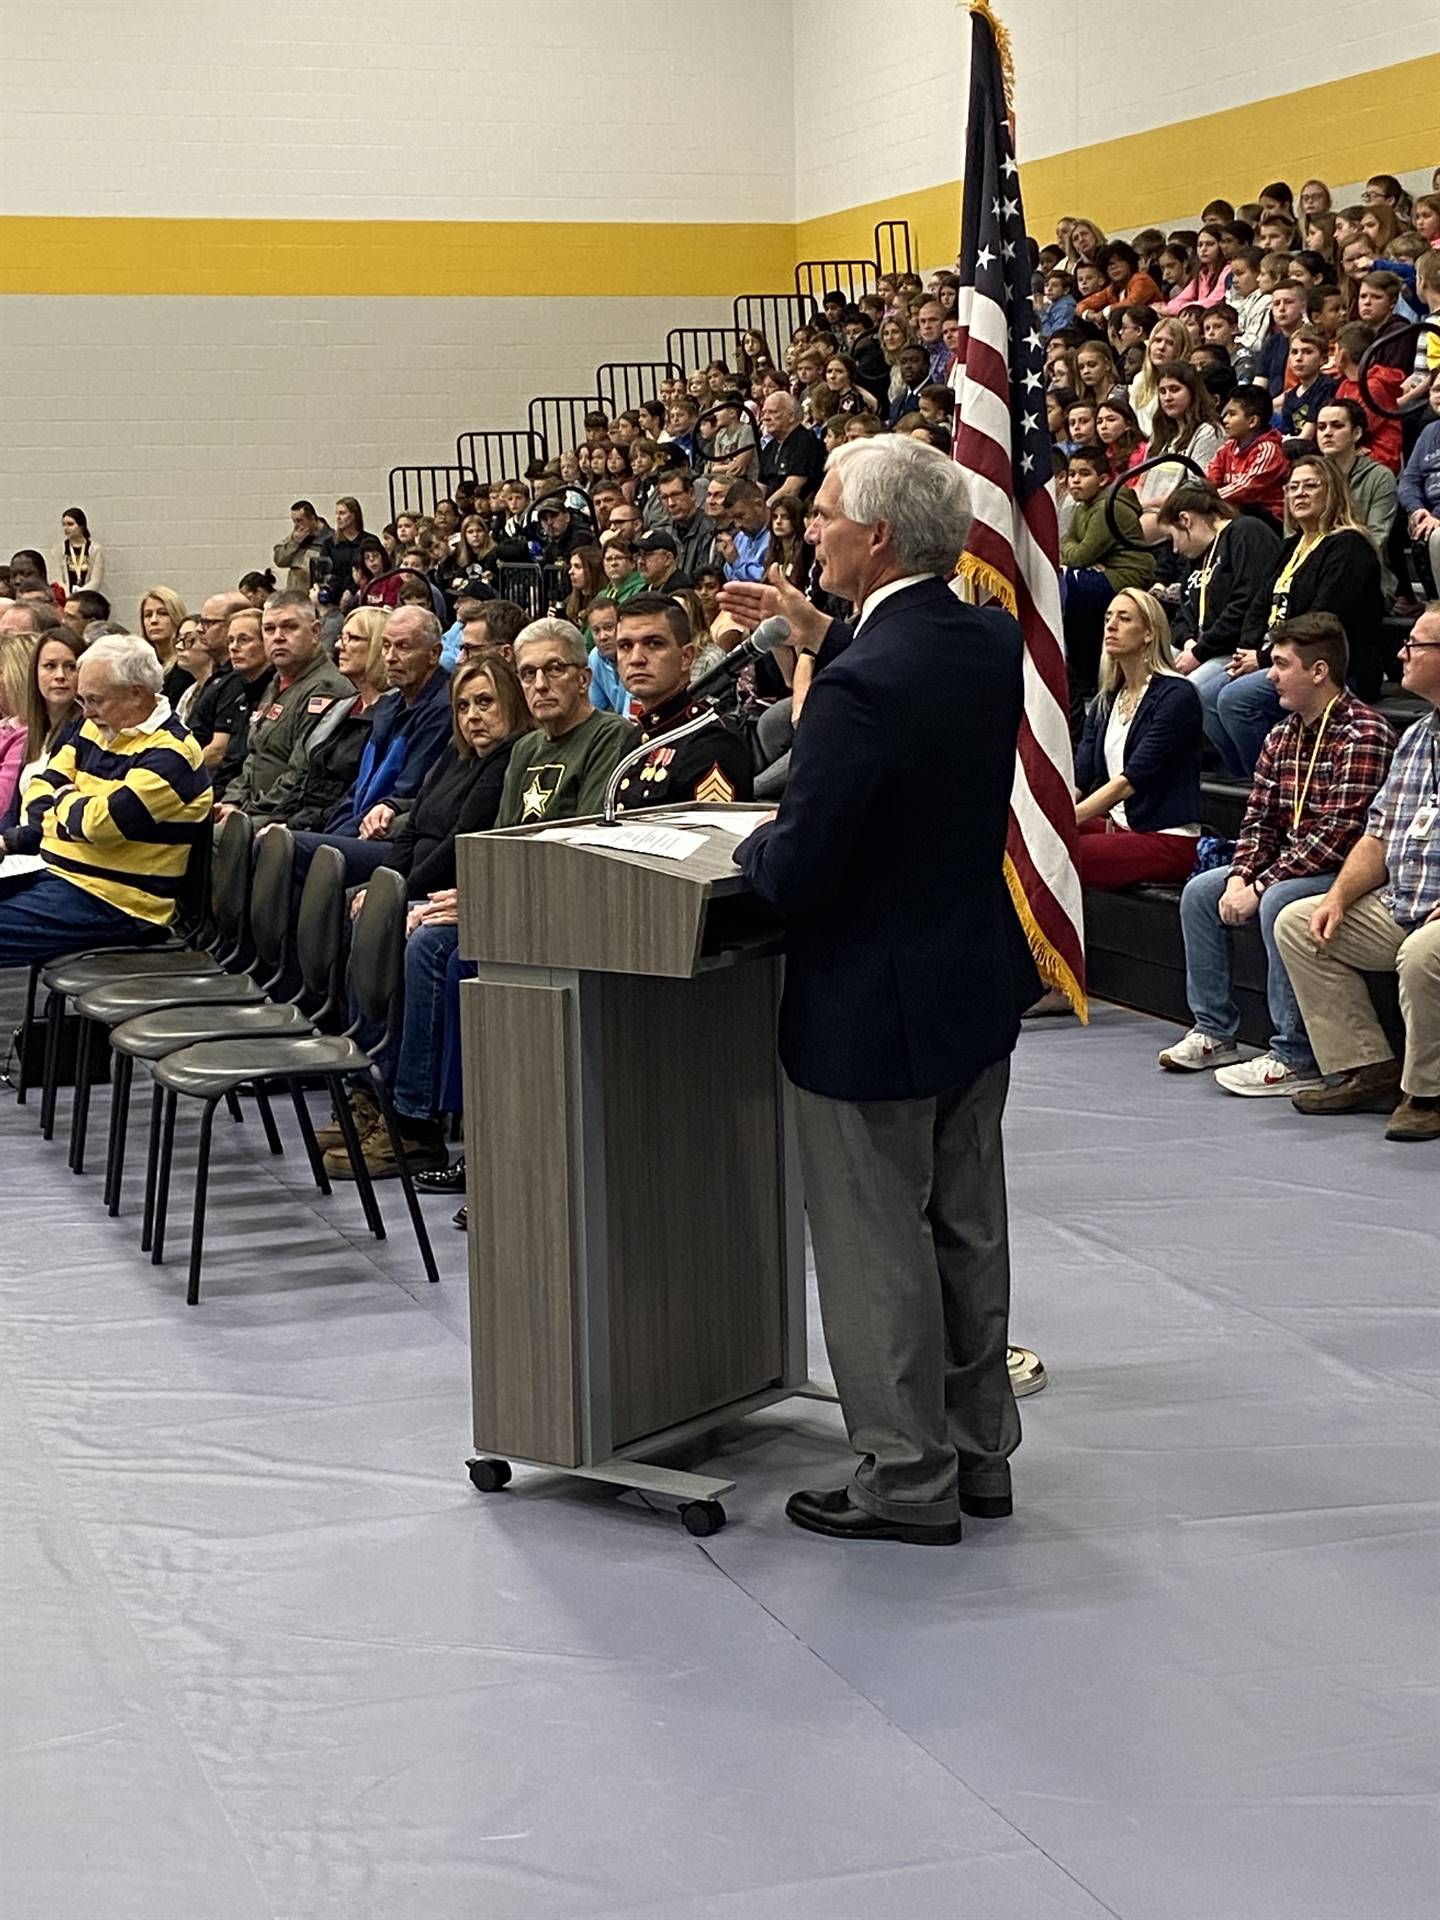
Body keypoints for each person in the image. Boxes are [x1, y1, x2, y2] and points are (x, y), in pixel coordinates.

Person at [736, 436, 1038, 1545]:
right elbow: (911, 684)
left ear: (875, 536)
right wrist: (826, 635)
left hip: (869, 1001)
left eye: (821, 514)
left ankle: (903, 1481)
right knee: (967, 1227)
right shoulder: (986, 639)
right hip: (972, 979)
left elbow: (807, 865)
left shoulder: (860, 686)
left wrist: (756, 851)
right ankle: (979, 1456)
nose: (807, 529)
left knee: (876, 1249)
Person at [319, 652, 532, 1182]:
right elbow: (412, 834)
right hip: (422, 880)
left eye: (485, 703)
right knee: (361, 913)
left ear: (512, 703)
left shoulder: (505, 761)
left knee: (412, 937)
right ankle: (367, 1093)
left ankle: (412, 1122)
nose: (473, 717)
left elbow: (462, 844)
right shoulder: (454, 756)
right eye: (463, 706)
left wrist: (398, 896)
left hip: (451, 885)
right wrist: (384, 886)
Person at [1163, 613, 1396, 1092]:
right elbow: (1260, 820)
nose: (1269, 675)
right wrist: (1238, 876)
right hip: (1291, 864)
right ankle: (1213, 1030)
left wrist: (1261, 885)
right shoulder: (1282, 735)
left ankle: (1295, 1053)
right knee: (1201, 892)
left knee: (1277, 902)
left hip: (1348, 872)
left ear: (1319, 671)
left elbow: (1338, 834)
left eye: (1281, 664)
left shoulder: (1363, 734)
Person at [1275, 607, 1440, 1142]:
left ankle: (1426, 1093)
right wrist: (1339, 897)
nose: (1401, 652)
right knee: (1301, 921)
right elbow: (1378, 836)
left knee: (1423, 956)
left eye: (1415, 645)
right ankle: (1369, 1069)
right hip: (1404, 903)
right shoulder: (1416, 737)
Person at [0, 636, 211, 966]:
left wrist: (65, 798)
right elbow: (41, 789)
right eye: (83, 700)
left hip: (118, 905)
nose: (86, 711)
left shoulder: (173, 754)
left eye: (95, 700)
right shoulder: (92, 728)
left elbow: (102, 824)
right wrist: (71, 802)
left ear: (136, 693)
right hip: (59, 875)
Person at [1209, 453, 1387, 774]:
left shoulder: (1349, 546)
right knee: (1203, 696)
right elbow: (1258, 604)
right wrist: (1249, 649)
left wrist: (1263, 660)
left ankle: (1270, 781)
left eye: (1310, 486)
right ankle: (1244, 783)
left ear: (1332, 491)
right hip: (1277, 656)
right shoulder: (1291, 545)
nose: (1299, 494)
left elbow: (1323, 619)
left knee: (1236, 700)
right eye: (1292, 488)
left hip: (1331, 665)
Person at [1072, 589, 1204, 888]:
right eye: (1107, 618)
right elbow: (1081, 773)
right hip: (1119, 827)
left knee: (1059, 853)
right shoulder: (1108, 698)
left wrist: (1068, 818)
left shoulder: (1176, 695)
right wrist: (1052, 814)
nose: (1111, 625)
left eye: (1124, 618)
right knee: (1022, 839)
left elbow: (1131, 780)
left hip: (1165, 837)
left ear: (1148, 633)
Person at [243, 607, 390, 832]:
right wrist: (277, 819)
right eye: (342, 637)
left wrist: (285, 824)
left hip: (332, 826)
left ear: (380, 647)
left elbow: (349, 793)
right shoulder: (343, 707)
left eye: (353, 638)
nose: (340, 645)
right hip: (298, 816)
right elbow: (305, 772)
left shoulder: (389, 713)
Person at [609, 595, 752, 812]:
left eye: (654, 644)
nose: (636, 658)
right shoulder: (636, 738)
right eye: (625, 646)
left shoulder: (711, 742)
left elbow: (711, 837)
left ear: (686, 657)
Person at [217, 591, 351, 814]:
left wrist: (247, 812)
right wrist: (233, 800)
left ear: (316, 632)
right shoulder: (277, 682)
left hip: (283, 815)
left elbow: (300, 773)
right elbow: (255, 753)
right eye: (269, 629)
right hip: (253, 808)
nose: (278, 636)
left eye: (289, 627)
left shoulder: (326, 689)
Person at [1157, 480, 1282, 710]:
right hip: (1201, 647)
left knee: (1189, 694)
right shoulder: (1196, 557)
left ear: (1186, 520)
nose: (1175, 550)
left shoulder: (1246, 532)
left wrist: (1199, 651)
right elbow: (1183, 613)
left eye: (1173, 537)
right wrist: (1187, 641)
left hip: (1232, 650)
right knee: (1150, 675)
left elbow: (1245, 603)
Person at [499, 618, 634, 824]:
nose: (540, 684)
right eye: (528, 673)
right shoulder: (523, 748)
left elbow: (588, 834)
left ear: (583, 680)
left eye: (554, 669)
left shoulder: (610, 735)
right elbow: (500, 836)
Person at [1059, 447, 1156, 708]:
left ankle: (1083, 677)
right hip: (1104, 572)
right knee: (1067, 584)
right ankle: (1082, 675)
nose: (1075, 480)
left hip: (1127, 575)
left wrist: (1078, 558)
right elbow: (1068, 544)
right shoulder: (1083, 506)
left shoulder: (1106, 507)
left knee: (1068, 588)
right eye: (1071, 474)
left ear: (1103, 480)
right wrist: (1077, 557)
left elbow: (1078, 554)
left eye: (1084, 474)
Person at [188, 603, 275, 789]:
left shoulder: (271, 692)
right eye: (231, 641)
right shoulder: (243, 694)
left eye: (243, 640)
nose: (234, 648)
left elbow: (222, 753)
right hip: (227, 787)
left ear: (267, 643)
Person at [1206, 385, 1286, 526]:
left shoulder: (1269, 450)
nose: (1225, 420)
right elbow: (1210, 479)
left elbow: (1246, 488)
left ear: (1253, 421)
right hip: (1233, 511)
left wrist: (1207, 499)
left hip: (1267, 521)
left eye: (1232, 414)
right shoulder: (1228, 447)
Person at [1398, 371, 1440, 597]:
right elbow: (1409, 479)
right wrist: (1417, 509)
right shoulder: (1429, 431)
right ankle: (1409, 597)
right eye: (1436, 390)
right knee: (1397, 522)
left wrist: (1437, 517)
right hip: (1428, 514)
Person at [757, 391, 824, 500]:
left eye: (773, 412)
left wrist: (765, 511)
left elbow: (791, 489)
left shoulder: (806, 442)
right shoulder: (770, 447)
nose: (766, 418)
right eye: (764, 413)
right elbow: (760, 487)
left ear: (791, 416)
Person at [138, 585, 194, 705]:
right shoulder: (142, 665)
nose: (153, 620)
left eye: (163, 613)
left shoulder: (186, 667)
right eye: (148, 615)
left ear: (176, 617)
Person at [272, 499, 333, 592]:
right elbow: (280, 561)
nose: (296, 526)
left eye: (300, 521)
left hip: (318, 594)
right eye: (294, 521)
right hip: (295, 594)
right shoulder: (295, 537)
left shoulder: (331, 539)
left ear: (312, 519)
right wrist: (294, 543)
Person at [716, 480, 770, 583]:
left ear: (758, 505)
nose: (737, 525)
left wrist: (736, 561)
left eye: (740, 516)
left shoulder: (778, 537)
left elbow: (765, 578)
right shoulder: (740, 537)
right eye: (733, 519)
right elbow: (729, 575)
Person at [54, 508, 104, 595]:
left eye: (70, 524)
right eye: (64, 525)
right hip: (66, 598)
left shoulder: (95, 549)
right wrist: (68, 595)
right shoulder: (58, 549)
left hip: (87, 597)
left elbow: (96, 580)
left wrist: (81, 593)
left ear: (81, 526)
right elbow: (57, 578)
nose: (66, 528)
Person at [633, 528, 690, 593]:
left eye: (647, 554)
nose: (640, 561)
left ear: (668, 558)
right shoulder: (645, 590)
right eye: (639, 555)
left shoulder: (681, 592)